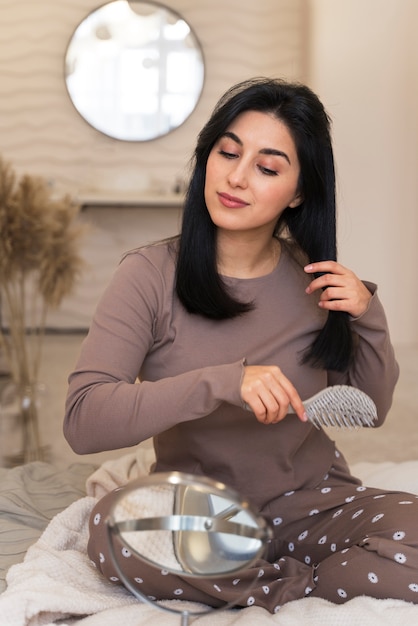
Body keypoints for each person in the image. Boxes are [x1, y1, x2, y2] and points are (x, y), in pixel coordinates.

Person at [64, 77, 418, 613]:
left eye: (267, 167)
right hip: (205, 514)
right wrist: (224, 382)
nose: (236, 176)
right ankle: (297, 589)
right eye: (227, 153)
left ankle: (270, 583)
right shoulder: (148, 275)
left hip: (316, 505)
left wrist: (369, 317)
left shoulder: (313, 279)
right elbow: (84, 419)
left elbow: (370, 410)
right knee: (114, 531)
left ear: (299, 192)